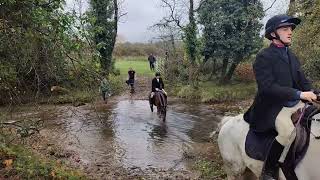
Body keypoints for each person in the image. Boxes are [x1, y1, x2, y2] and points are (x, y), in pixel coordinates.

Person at [243, 14, 317, 180]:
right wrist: (299, 94)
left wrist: (314, 93)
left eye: (291, 29)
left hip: (294, 103)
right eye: (285, 29)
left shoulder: (292, 56)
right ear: (273, 34)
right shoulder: (263, 57)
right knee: (287, 131)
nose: (290, 32)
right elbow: (267, 88)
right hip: (272, 107)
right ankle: (268, 171)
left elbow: (302, 81)